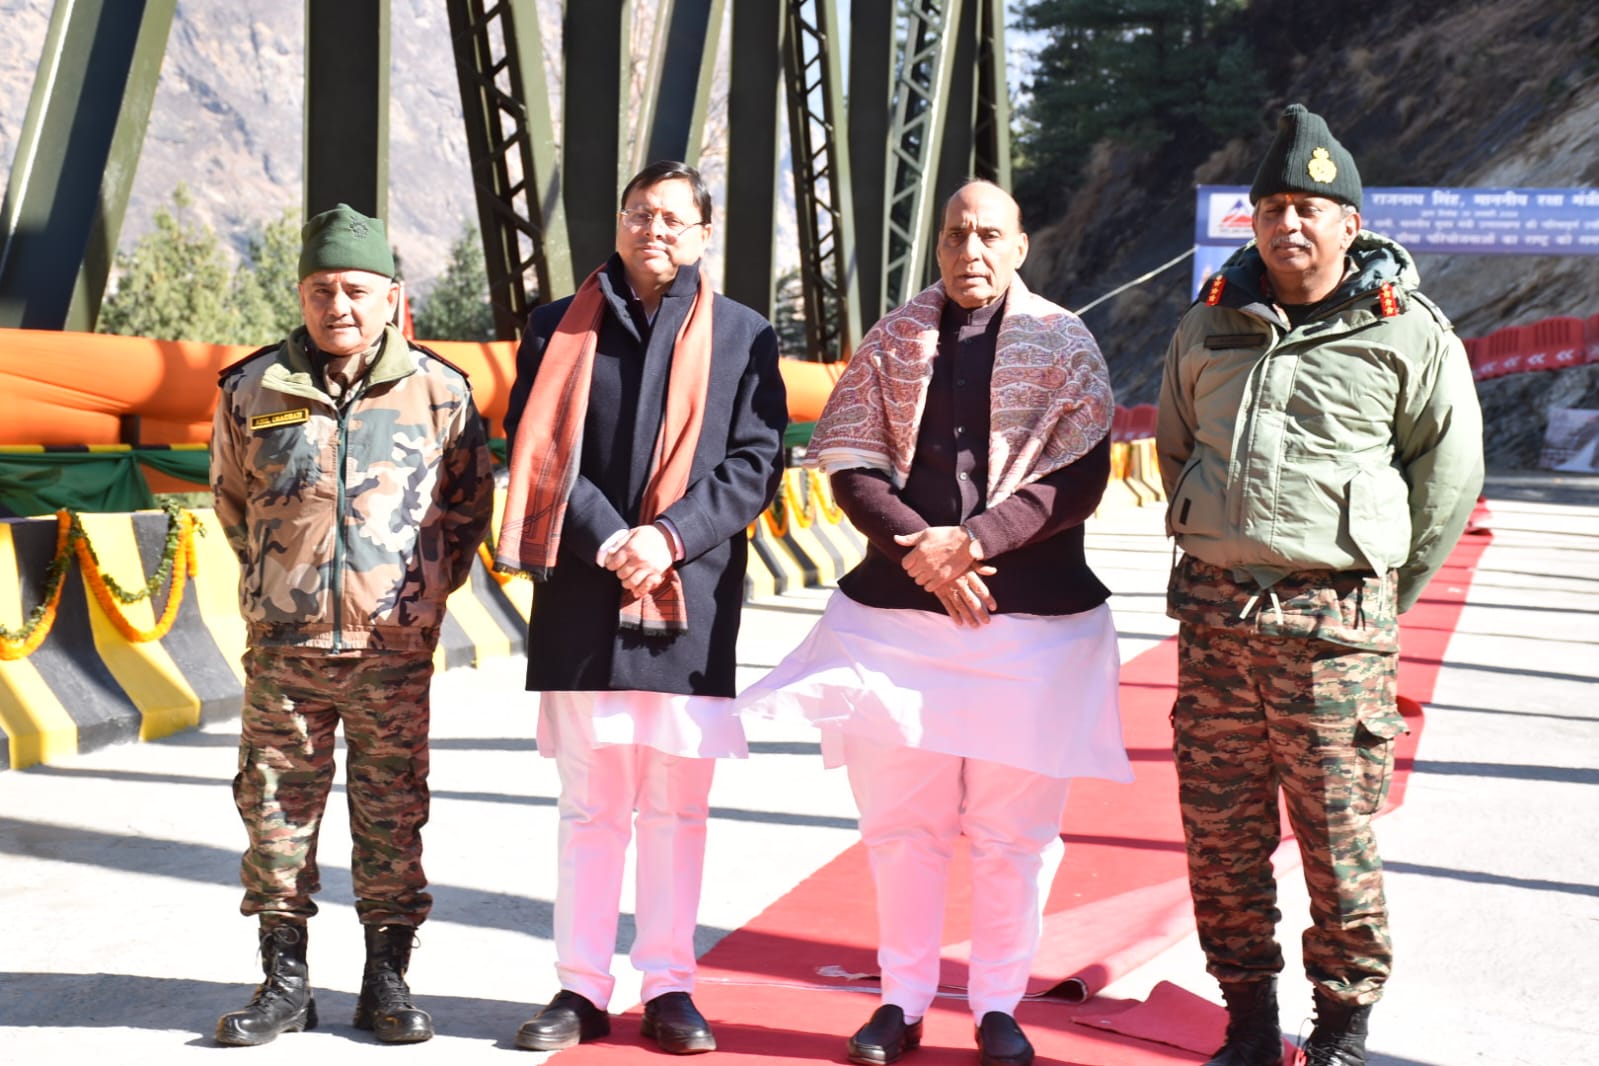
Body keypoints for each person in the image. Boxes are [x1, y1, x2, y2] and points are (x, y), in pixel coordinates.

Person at [738, 179, 1129, 1066]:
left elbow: (1079, 479)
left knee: (1012, 839)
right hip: (897, 626)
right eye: (955, 235)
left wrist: (975, 542)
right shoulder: (893, 339)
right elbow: (850, 465)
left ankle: (997, 1007)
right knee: (900, 831)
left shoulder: (1064, 341)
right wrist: (922, 548)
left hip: (1030, 631)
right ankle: (901, 1001)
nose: (970, 251)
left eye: (989, 235)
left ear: (1020, 246)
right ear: (938, 245)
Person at [1155, 104, 1484, 1066]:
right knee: (1219, 839)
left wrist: (1374, 596)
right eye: (1271, 209)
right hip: (1217, 622)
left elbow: (1446, 482)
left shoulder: (1406, 333)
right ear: (1251, 222)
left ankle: (1339, 1030)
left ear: (1348, 223)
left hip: (1334, 631)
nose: (1287, 224)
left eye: (1307, 208)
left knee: (1338, 842)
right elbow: (1176, 448)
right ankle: (1247, 1021)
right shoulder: (1206, 323)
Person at [495, 160, 787, 1055]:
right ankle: (580, 988)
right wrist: (610, 537)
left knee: (675, 808)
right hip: (585, 589)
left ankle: (669, 987)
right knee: (589, 806)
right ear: (618, 223)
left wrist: (666, 537)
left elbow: (756, 462)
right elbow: (536, 446)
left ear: (702, 234)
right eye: (638, 213)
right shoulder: (555, 326)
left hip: (686, 594)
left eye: (671, 218)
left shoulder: (742, 335)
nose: (652, 229)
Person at [209, 203, 494, 1047]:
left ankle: (386, 981)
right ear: (301, 295)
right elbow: (231, 503)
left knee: (391, 816)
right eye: (321, 290)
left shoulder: (440, 392)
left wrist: (420, 601)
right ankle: (283, 984)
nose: (338, 305)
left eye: (356, 290)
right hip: (285, 650)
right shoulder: (251, 388)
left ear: (391, 295)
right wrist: (280, 583)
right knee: (273, 816)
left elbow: (466, 511)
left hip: (390, 652)